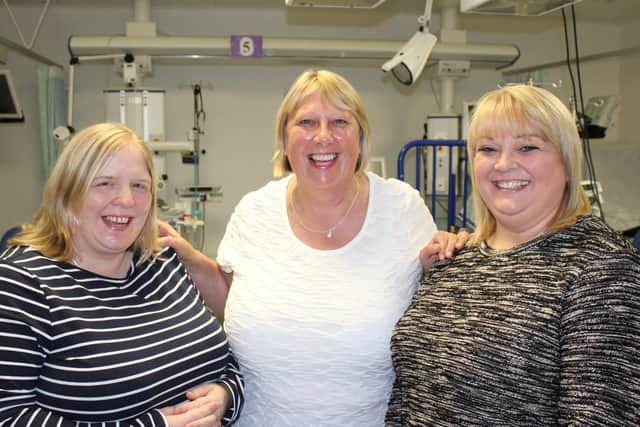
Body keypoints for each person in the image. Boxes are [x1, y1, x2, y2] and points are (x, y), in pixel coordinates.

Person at [159, 69, 466, 426]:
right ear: (284, 139)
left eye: (339, 121)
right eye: (306, 122)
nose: (323, 136)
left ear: (361, 137)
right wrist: (191, 260)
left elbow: (435, 308)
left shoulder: (402, 209)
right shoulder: (254, 211)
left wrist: (450, 256)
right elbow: (235, 299)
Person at [386, 85, 640, 425]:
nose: (504, 164)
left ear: (566, 162)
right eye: (488, 148)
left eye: (527, 147)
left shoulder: (601, 267)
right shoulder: (457, 260)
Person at [0, 123, 243, 426]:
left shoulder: (163, 261)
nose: (126, 200)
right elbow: (9, 416)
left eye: (139, 186)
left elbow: (227, 361)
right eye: (105, 184)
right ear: (68, 191)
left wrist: (225, 397)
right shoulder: (20, 285)